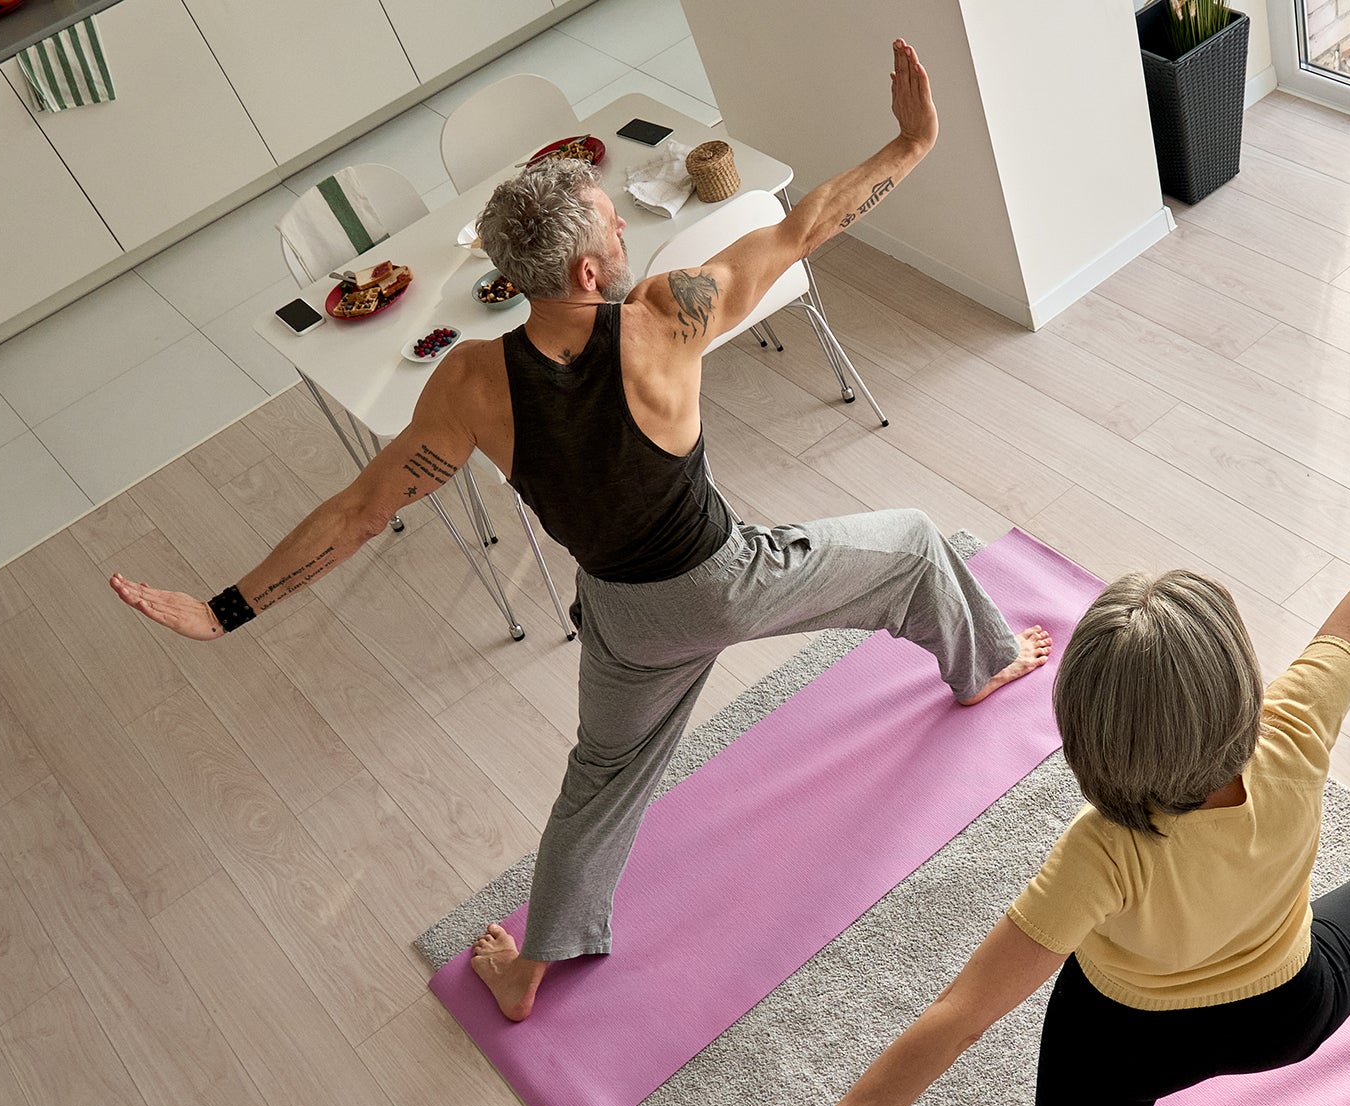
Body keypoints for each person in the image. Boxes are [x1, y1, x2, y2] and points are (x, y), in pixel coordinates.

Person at [106, 39, 1050, 1023]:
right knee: (911, 542)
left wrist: (226, 609)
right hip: (724, 578)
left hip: (623, 619)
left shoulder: (469, 381)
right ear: (593, 263)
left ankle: (530, 970)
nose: (620, 225)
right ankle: (980, 660)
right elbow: (806, 224)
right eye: (610, 219)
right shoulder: (666, 315)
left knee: (598, 778)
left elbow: (359, 510)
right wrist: (912, 142)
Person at [699, 326, 1350, 1106]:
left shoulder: (1098, 854)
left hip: (1122, 1040)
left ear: (1087, 736)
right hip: (1284, 1012)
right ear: (1238, 683)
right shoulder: (1297, 728)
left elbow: (959, 1016)